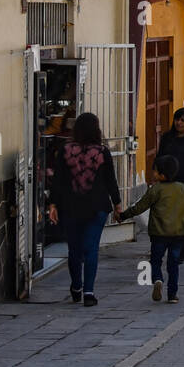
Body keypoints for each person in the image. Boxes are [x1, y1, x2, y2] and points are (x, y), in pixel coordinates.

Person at [47, 112, 120, 306]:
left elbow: (58, 180)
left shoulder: (65, 150)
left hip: (70, 206)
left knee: (74, 249)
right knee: (91, 248)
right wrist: (118, 204)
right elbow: (111, 181)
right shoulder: (102, 152)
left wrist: (53, 204)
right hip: (97, 207)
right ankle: (89, 291)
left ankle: (76, 286)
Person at [117, 154, 184, 303]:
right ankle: (172, 295)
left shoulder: (156, 189)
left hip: (159, 233)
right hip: (178, 234)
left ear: (162, 174)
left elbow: (140, 206)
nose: (153, 173)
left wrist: (123, 215)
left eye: (155, 171)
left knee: (156, 260)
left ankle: (157, 279)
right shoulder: (182, 188)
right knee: (173, 263)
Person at [154, 107, 184, 249]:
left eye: (183, 120)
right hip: (169, 183)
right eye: (177, 119)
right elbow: (159, 156)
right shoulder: (168, 137)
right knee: (169, 214)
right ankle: (172, 243)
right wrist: (155, 172)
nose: (179, 123)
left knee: (182, 213)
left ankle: (183, 244)